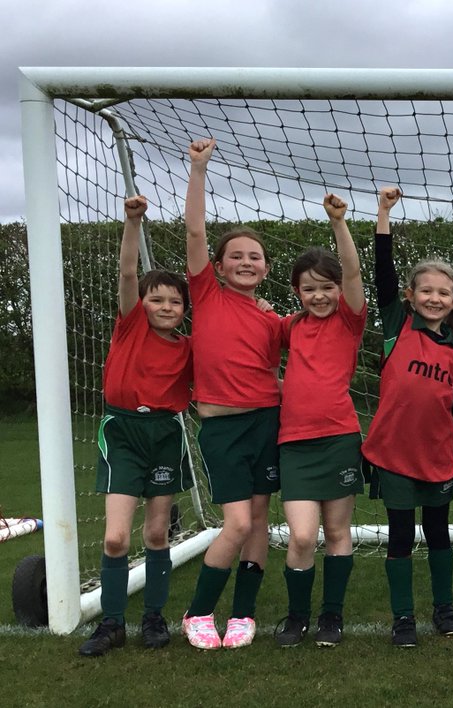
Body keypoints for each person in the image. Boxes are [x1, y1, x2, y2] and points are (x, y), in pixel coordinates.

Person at [79, 196, 193, 657]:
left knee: (156, 533)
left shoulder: (189, 347)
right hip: (123, 433)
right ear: (141, 303)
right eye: (156, 298)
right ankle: (111, 623)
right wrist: (132, 222)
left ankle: (153, 617)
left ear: (185, 307)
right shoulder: (130, 327)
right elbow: (128, 273)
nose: (165, 306)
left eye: (174, 301)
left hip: (166, 435)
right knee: (115, 537)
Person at [362, 187, 453, 648]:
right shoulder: (396, 326)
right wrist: (383, 215)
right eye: (425, 290)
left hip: (438, 459)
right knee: (401, 536)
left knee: (439, 532)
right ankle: (403, 617)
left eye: (443, 293)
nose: (434, 297)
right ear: (410, 296)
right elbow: (382, 274)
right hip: (393, 456)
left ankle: (444, 608)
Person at [181, 138, 284, 650]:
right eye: (236, 256)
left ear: (265, 268)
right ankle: (198, 612)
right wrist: (198, 169)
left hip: (268, 422)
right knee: (237, 521)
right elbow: (195, 231)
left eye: (255, 257)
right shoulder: (206, 294)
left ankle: (242, 615)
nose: (246, 262)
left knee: (260, 520)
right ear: (218, 266)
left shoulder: (273, 318)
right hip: (222, 426)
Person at [272, 194, 367, 648]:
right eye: (309, 288)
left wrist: (338, 224)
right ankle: (296, 617)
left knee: (336, 532)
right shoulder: (289, 327)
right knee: (303, 536)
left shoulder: (350, 321)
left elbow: (352, 271)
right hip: (294, 445)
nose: (320, 295)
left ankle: (332, 616)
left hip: (340, 439)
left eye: (326, 286)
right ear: (297, 292)